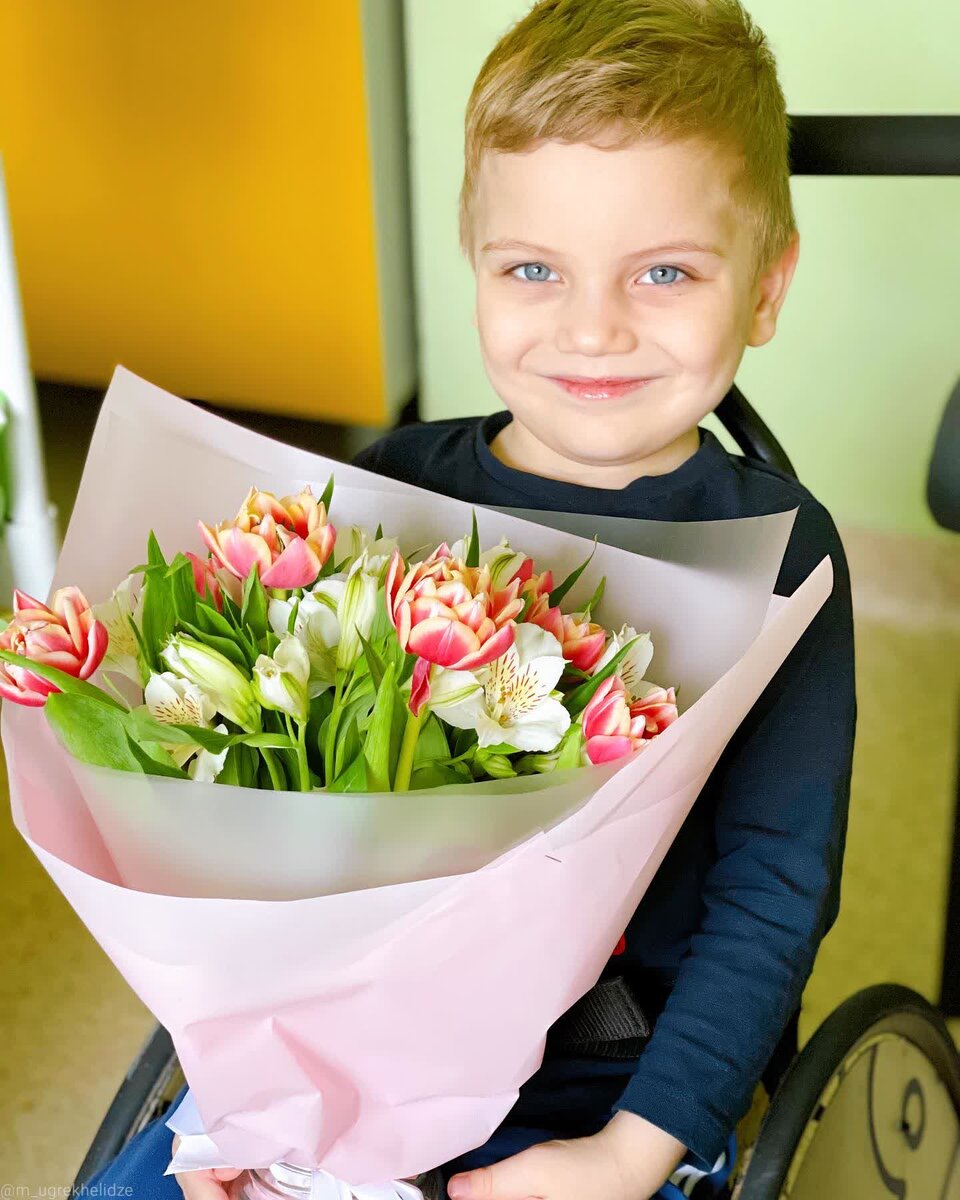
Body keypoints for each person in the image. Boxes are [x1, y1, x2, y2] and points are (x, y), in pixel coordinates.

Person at [87, 1, 856, 1197]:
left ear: (765, 288)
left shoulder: (783, 554)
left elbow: (772, 889)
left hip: (611, 1083)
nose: (593, 327)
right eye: (534, 269)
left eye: (664, 272)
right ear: (476, 268)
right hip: (336, 1054)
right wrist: (236, 1100)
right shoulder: (385, 489)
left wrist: (629, 1153)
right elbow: (277, 836)